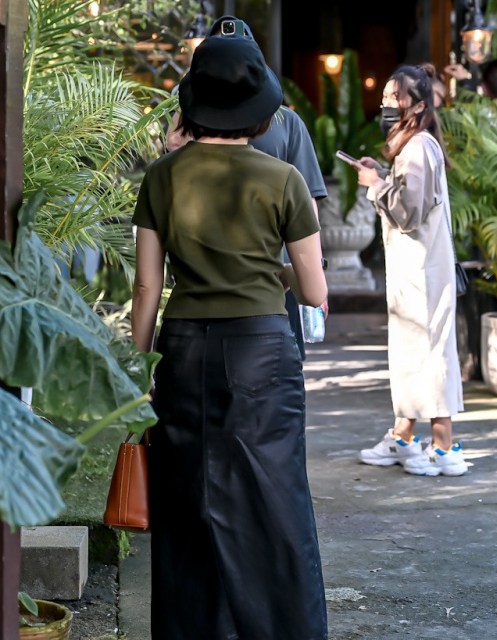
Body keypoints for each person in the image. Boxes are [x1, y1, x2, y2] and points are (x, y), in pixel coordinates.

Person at [131, 33, 330, 640]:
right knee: (273, 503)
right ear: (260, 111)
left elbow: (145, 288)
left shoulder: (162, 177)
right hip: (262, 349)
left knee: (188, 501)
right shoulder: (284, 180)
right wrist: (264, 266)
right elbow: (315, 291)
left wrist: (138, 373)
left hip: (184, 347)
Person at [165, 16, 330, 356]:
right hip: (245, 273)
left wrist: (311, 268)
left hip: (256, 273)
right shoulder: (189, 116)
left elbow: (308, 203)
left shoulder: (287, 121)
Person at [351, 64, 468, 477]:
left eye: (394, 97)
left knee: (427, 355)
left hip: (421, 272)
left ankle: (444, 448)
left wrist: (372, 182)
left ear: (417, 106)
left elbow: (408, 213)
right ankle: (404, 437)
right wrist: (383, 174)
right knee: (416, 355)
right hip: (420, 270)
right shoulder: (418, 146)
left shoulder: (417, 147)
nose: (386, 103)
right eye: (385, 94)